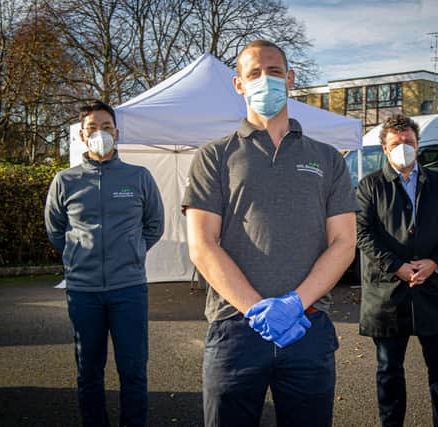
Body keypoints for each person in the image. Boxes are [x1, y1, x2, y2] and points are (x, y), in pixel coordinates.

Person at [181, 40, 359, 427]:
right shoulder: (215, 156)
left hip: (308, 329)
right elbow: (202, 244)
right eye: (254, 73)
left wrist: (294, 303)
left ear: (290, 79)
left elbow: (345, 242)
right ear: (238, 85)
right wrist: (256, 309)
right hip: (235, 330)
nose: (266, 80)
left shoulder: (327, 158)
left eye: (275, 72)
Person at [44, 101, 164, 427]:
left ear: (118, 133)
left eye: (107, 127)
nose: (101, 133)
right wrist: (77, 258)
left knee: (134, 370)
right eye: (93, 128)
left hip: (129, 289)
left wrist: (133, 252)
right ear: (83, 136)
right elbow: (56, 230)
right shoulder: (65, 181)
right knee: (88, 372)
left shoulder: (139, 177)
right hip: (83, 292)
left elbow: (154, 225)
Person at [356, 115, 438, 427]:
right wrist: (397, 267)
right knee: (389, 370)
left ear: (418, 146)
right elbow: (363, 234)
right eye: (396, 143)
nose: (404, 148)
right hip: (388, 294)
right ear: (384, 149)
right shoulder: (370, 186)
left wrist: (436, 262)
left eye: (409, 143)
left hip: (433, 289)